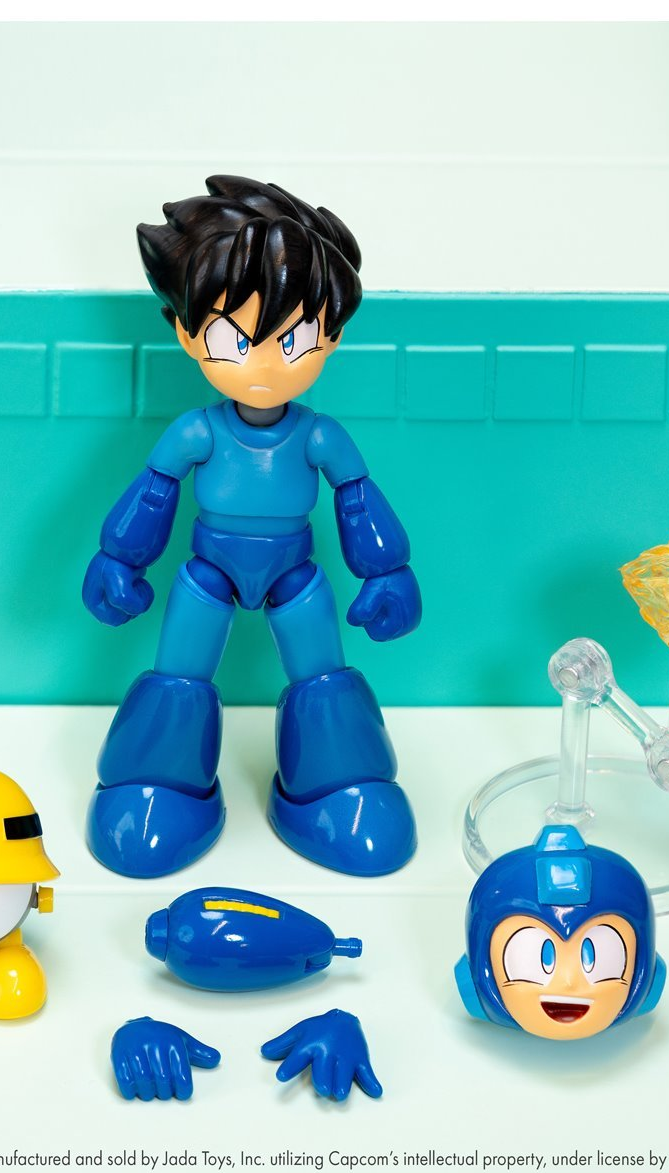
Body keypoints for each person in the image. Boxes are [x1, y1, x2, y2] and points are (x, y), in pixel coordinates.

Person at [82, 175, 422, 878]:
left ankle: (333, 787)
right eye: (233, 338)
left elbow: (359, 501)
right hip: (209, 571)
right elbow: (152, 496)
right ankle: (161, 782)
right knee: (179, 671)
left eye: (296, 339)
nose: (265, 365)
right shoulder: (196, 432)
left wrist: (387, 570)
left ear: (332, 335)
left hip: (294, 572)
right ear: (186, 332)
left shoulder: (319, 435)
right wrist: (120, 558)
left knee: (321, 672)